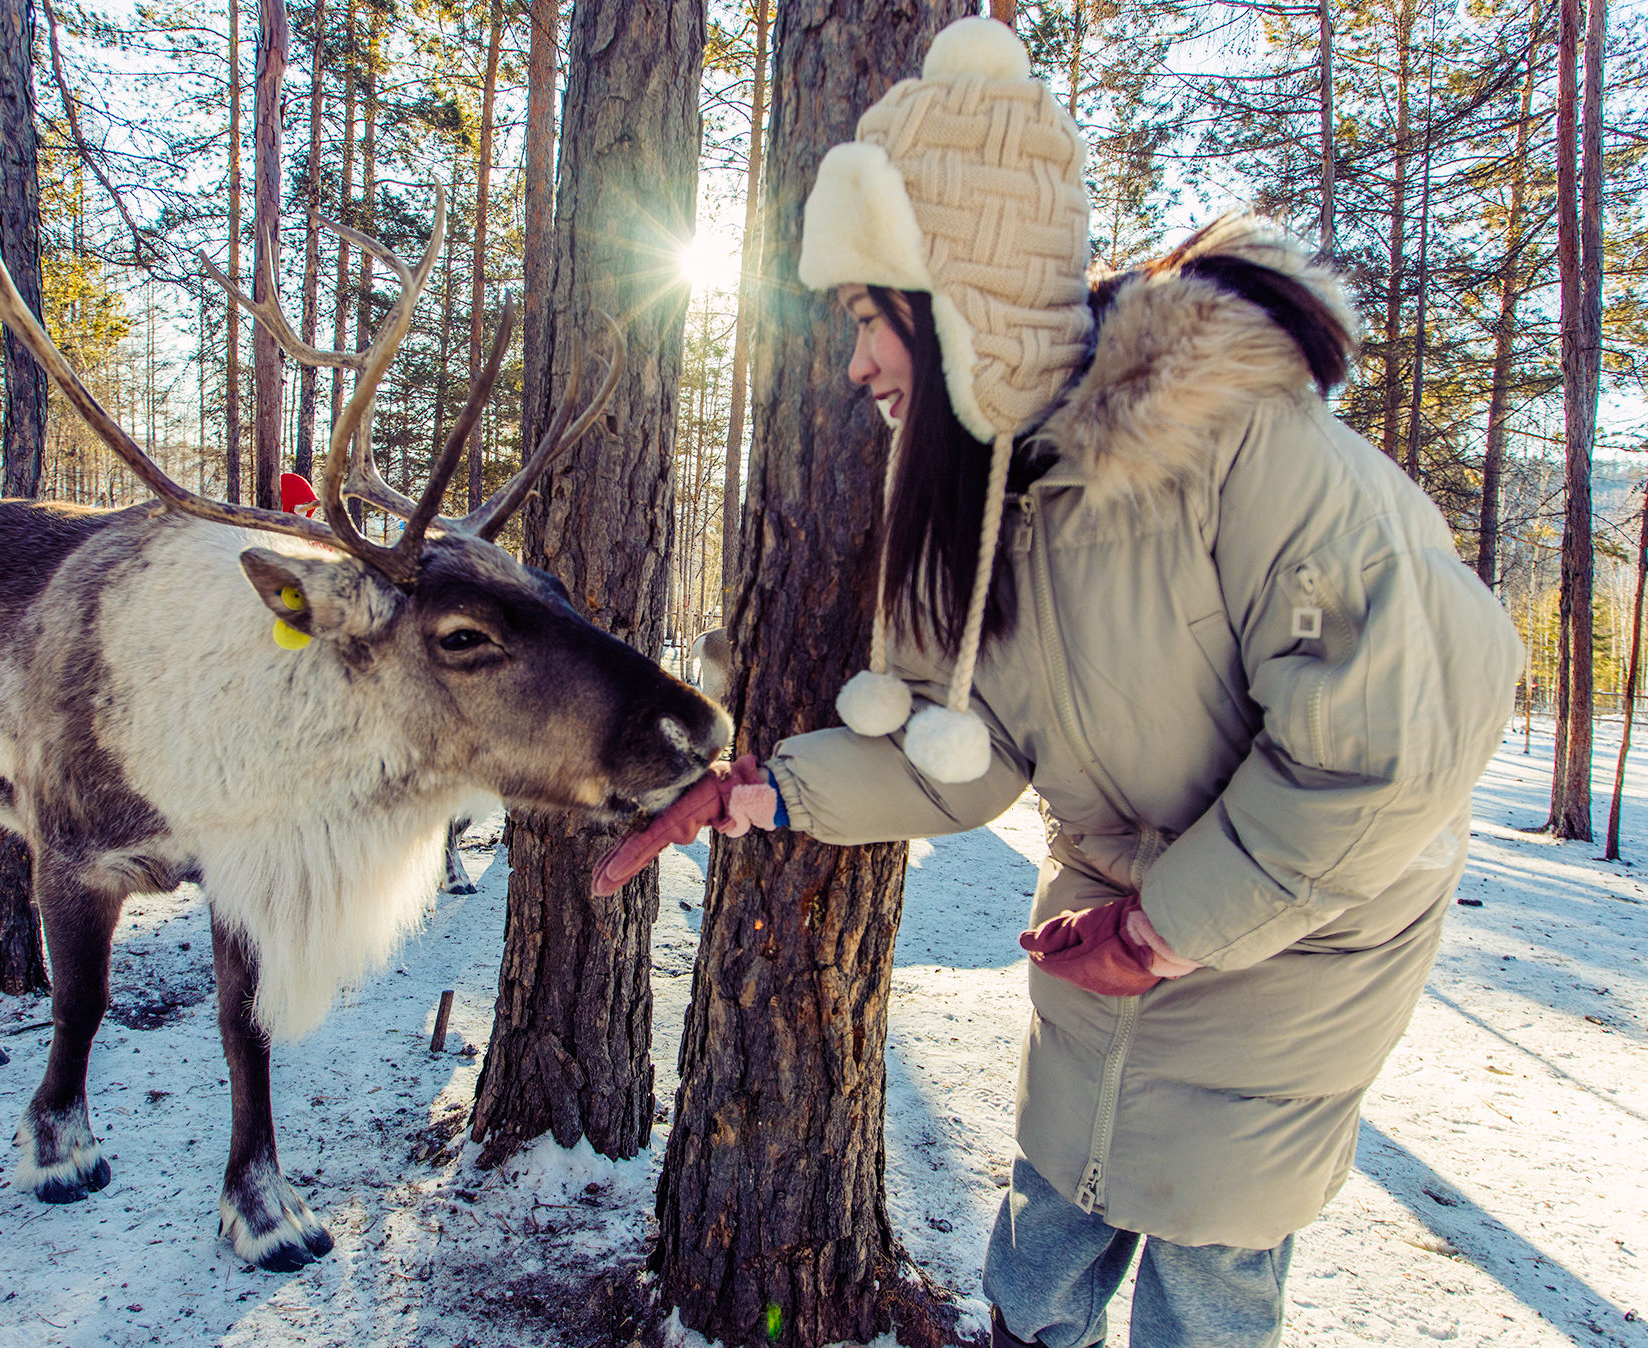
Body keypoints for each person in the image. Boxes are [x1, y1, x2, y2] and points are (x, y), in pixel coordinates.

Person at [594, 18, 1521, 1348]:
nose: (854, 365)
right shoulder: (981, 510)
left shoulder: (1237, 439)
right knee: (1048, 1230)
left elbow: (1383, 751)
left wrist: (1163, 933)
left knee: (1206, 1265)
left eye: (869, 318)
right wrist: (760, 796)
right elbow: (954, 756)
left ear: (956, 295)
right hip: (1104, 924)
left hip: (1305, 933)